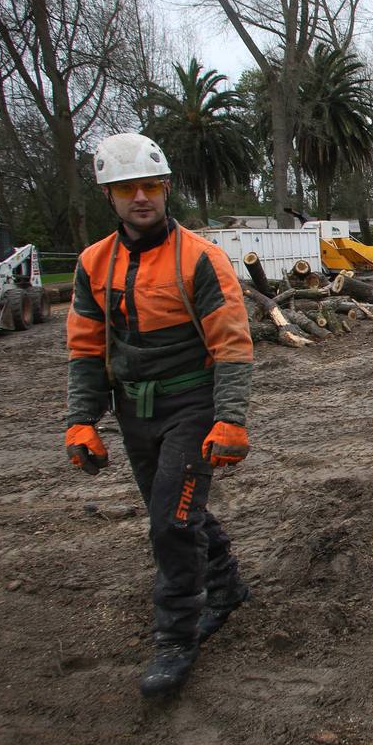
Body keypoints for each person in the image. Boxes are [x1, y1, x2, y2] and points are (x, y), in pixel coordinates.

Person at [64, 132, 255, 697]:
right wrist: (82, 419)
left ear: (165, 188)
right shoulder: (92, 264)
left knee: (169, 523)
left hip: (191, 405)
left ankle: (175, 638)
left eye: (149, 186)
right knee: (175, 508)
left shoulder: (200, 259)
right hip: (133, 409)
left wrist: (232, 417)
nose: (140, 198)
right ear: (110, 196)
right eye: (127, 189)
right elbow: (85, 347)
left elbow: (232, 344)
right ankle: (226, 587)